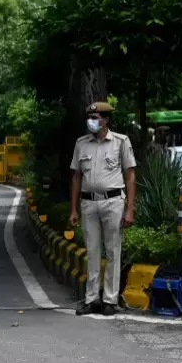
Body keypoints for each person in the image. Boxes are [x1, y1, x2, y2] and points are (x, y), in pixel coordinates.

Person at [69, 101, 137, 316]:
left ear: (105, 120)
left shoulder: (120, 142)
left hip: (113, 201)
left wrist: (130, 209)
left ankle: (110, 299)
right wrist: (73, 209)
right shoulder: (81, 143)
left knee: (113, 251)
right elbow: (76, 177)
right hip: (88, 203)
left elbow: (130, 176)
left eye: (95, 118)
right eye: (89, 118)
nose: (91, 121)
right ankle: (91, 299)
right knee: (92, 251)